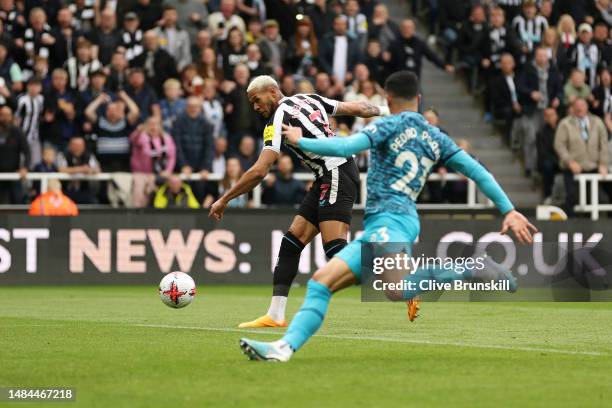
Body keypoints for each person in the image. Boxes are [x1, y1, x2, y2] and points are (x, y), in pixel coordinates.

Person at [238, 71, 537, 362]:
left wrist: (301, 141)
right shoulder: (436, 136)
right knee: (378, 287)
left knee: (343, 284)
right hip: (405, 220)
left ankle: (473, 267)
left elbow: (344, 146)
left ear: (388, 98)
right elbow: (477, 171)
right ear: (418, 99)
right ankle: (282, 348)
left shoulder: (386, 127)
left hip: (387, 222)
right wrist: (508, 209)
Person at [209, 75, 388, 328]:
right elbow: (357, 108)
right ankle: (275, 314)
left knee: (335, 250)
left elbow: (260, 171)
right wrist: (391, 110)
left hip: (335, 171)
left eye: (257, 100)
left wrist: (224, 199)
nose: (255, 107)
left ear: (272, 92)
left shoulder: (277, 119)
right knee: (292, 243)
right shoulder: (307, 98)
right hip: (328, 173)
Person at [554, 98, 609, 216]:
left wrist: (603, 163)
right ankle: (571, 224)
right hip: (572, 167)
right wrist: (570, 162)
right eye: (576, 106)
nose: (579, 108)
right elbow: (559, 145)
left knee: (598, 196)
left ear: (587, 107)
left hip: (594, 166)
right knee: (572, 196)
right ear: (572, 108)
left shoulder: (597, 122)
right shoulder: (565, 123)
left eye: (582, 105)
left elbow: (604, 144)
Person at [0, 105, 29, 204]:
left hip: (14, 173)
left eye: (8, 115)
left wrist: (25, 167)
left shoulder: (17, 132)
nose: (5, 118)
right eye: (2, 115)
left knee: (17, 200)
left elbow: (27, 151)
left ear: (12, 116)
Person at [537, 108, 560, 204]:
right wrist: (558, 161)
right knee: (547, 165)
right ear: (545, 118)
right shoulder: (541, 132)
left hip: (563, 159)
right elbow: (543, 152)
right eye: (548, 115)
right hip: (550, 160)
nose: (552, 118)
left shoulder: (563, 128)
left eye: (553, 115)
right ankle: (548, 195)